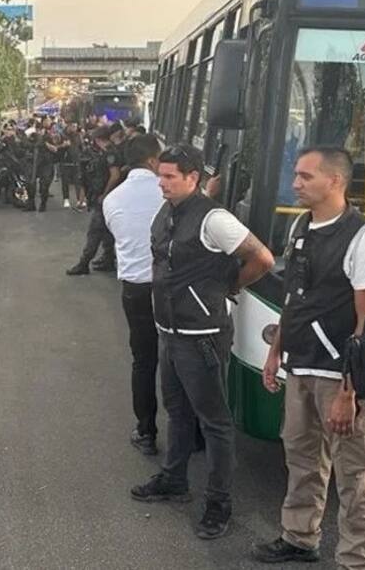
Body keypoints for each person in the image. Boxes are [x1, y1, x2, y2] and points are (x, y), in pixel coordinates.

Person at [129, 144, 275, 540]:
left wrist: (227, 287)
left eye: (170, 177)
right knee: (177, 411)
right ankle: (175, 480)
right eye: (160, 175)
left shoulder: (215, 220)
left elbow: (263, 258)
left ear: (192, 178)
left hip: (202, 337)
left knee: (215, 422)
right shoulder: (171, 209)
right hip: (170, 332)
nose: (162, 183)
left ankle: (218, 503)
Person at [254, 147, 365, 568]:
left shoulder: (363, 239)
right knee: (302, 459)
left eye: (305, 176)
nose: (295, 183)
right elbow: (293, 299)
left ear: (335, 181)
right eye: (296, 175)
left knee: (354, 476)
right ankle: (299, 537)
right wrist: (276, 352)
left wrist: (351, 392)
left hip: (339, 376)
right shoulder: (301, 226)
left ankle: (355, 561)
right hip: (300, 366)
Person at [103, 134, 164, 455]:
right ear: (154, 161)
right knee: (179, 361)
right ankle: (192, 435)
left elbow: (119, 236)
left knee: (143, 361)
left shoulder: (112, 199)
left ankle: (146, 431)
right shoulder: (170, 192)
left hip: (135, 291)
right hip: (170, 288)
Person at [66, 126, 121, 275]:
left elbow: (114, 175)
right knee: (106, 231)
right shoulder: (109, 151)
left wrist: (105, 193)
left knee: (95, 231)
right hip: (106, 197)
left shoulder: (110, 153)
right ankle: (108, 259)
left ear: (97, 139)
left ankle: (84, 263)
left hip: (106, 198)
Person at [61, 121, 85, 210]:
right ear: (69, 126)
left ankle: (79, 199)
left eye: (75, 126)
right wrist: (63, 146)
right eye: (73, 126)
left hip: (76, 161)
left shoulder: (78, 135)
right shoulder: (62, 135)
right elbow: (57, 148)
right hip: (65, 161)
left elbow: (81, 147)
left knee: (77, 181)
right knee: (65, 181)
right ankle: (66, 199)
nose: (74, 128)